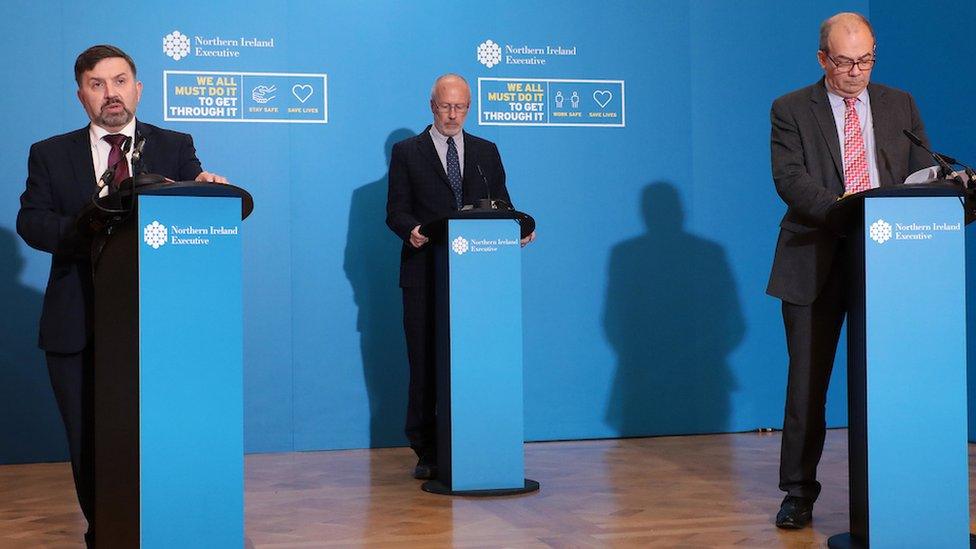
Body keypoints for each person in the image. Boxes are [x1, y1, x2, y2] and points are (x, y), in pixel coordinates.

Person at [16, 44, 227, 547]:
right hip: (78, 324)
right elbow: (31, 220)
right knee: (89, 441)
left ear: (138, 87)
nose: (110, 93)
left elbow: (193, 195)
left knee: (161, 438)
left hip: (161, 326)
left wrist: (204, 188)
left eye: (119, 80)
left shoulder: (175, 145)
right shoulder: (50, 153)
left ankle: (167, 528)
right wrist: (86, 228)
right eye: (97, 84)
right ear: (81, 95)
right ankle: (105, 532)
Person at [766, 13, 933, 529]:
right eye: (845, 62)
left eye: (866, 60)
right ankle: (798, 492)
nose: (857, 71)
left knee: (895, 379)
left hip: (888, 260)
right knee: (807, 385)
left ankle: (900, 483)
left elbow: (917, 172)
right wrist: (846, 208)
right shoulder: (791, 108)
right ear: (823, 59)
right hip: (816, 256)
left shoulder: (899, 103)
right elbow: (790, 180)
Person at [386, 73, 535, 479]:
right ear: (432, 105)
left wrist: (519, 227)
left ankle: (474, 440)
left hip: (477, 278)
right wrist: (412, 230)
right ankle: (426, 449)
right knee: (425, 362)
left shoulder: (487, 151)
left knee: (472, 361)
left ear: (469, 108)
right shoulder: (407, 151)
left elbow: (503, 205)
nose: (453, 115)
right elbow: (395, 210)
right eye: (446, 106)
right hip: (423, 273)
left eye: (461, 107)